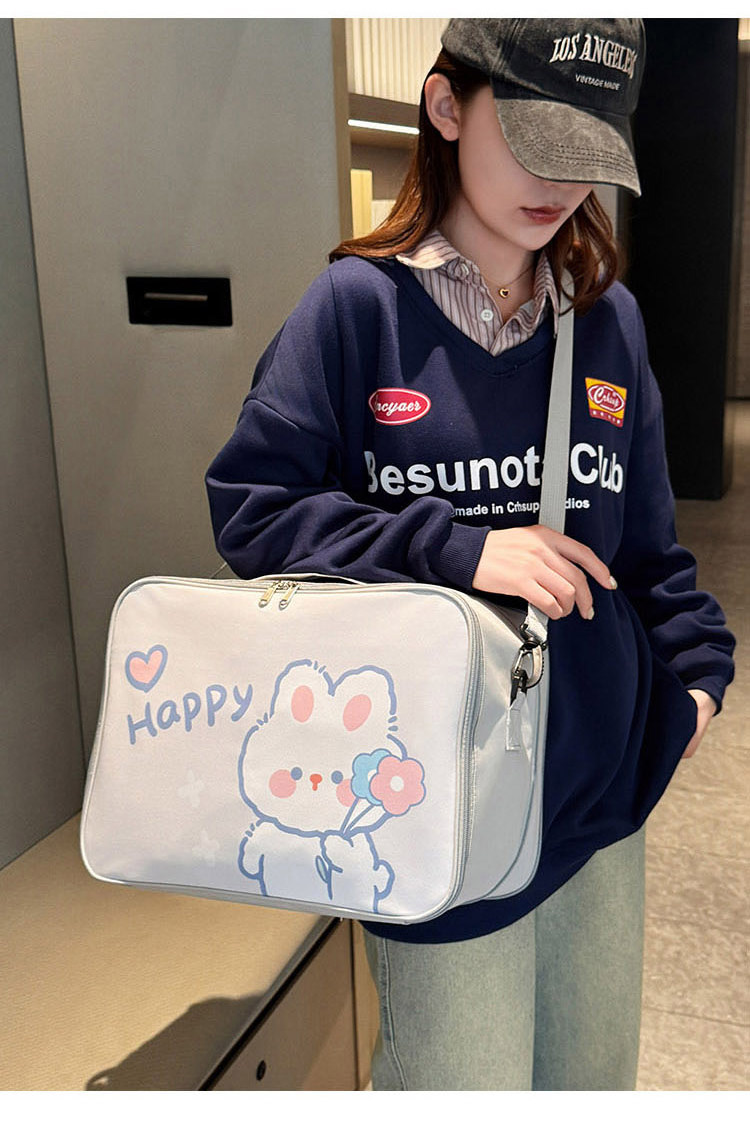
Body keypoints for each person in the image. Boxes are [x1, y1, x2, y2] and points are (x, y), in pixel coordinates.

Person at [205, 19, 735, 1090]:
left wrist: (695, 681)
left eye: (588, 151)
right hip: (427, 801)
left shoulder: (610, 324)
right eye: (536, 140)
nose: (563, 183)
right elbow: (255, 511)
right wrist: (456, 549)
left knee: (591, 1088)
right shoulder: (356, 311)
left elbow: (645, 547)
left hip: (597, 795)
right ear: (447, 108)